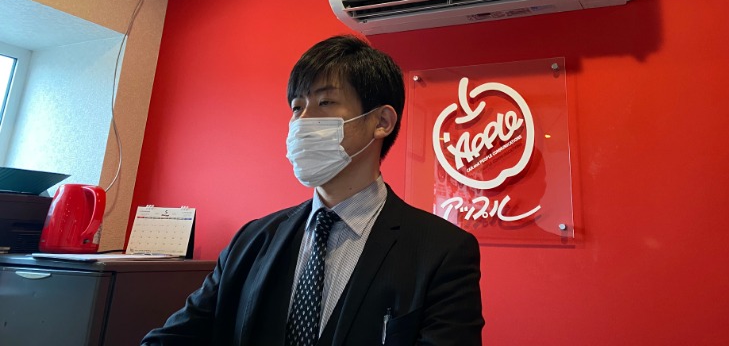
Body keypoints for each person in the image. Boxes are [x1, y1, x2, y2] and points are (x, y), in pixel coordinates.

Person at [142, 35, 484, 345]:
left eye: (325, 103)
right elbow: (174, 337)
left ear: (381, 122)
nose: (302, 121)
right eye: (297, 107)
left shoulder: (441, 252)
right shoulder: (251, 241)